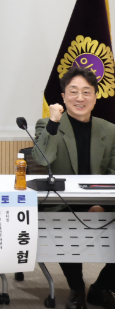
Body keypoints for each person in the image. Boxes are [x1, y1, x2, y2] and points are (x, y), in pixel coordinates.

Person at [33, 67, 115, 309]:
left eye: (86, 92)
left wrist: (101, 204)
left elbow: (113, 173)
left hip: (101, 202)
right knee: (66, 225)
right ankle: (76, 288)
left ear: (95, 96)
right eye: (73, 91)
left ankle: (100, 287)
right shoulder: (47, 124)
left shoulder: (109, 130)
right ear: (63, 96)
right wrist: (53, 122)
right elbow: (42, 159)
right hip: (62, 204)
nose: (80, 98)